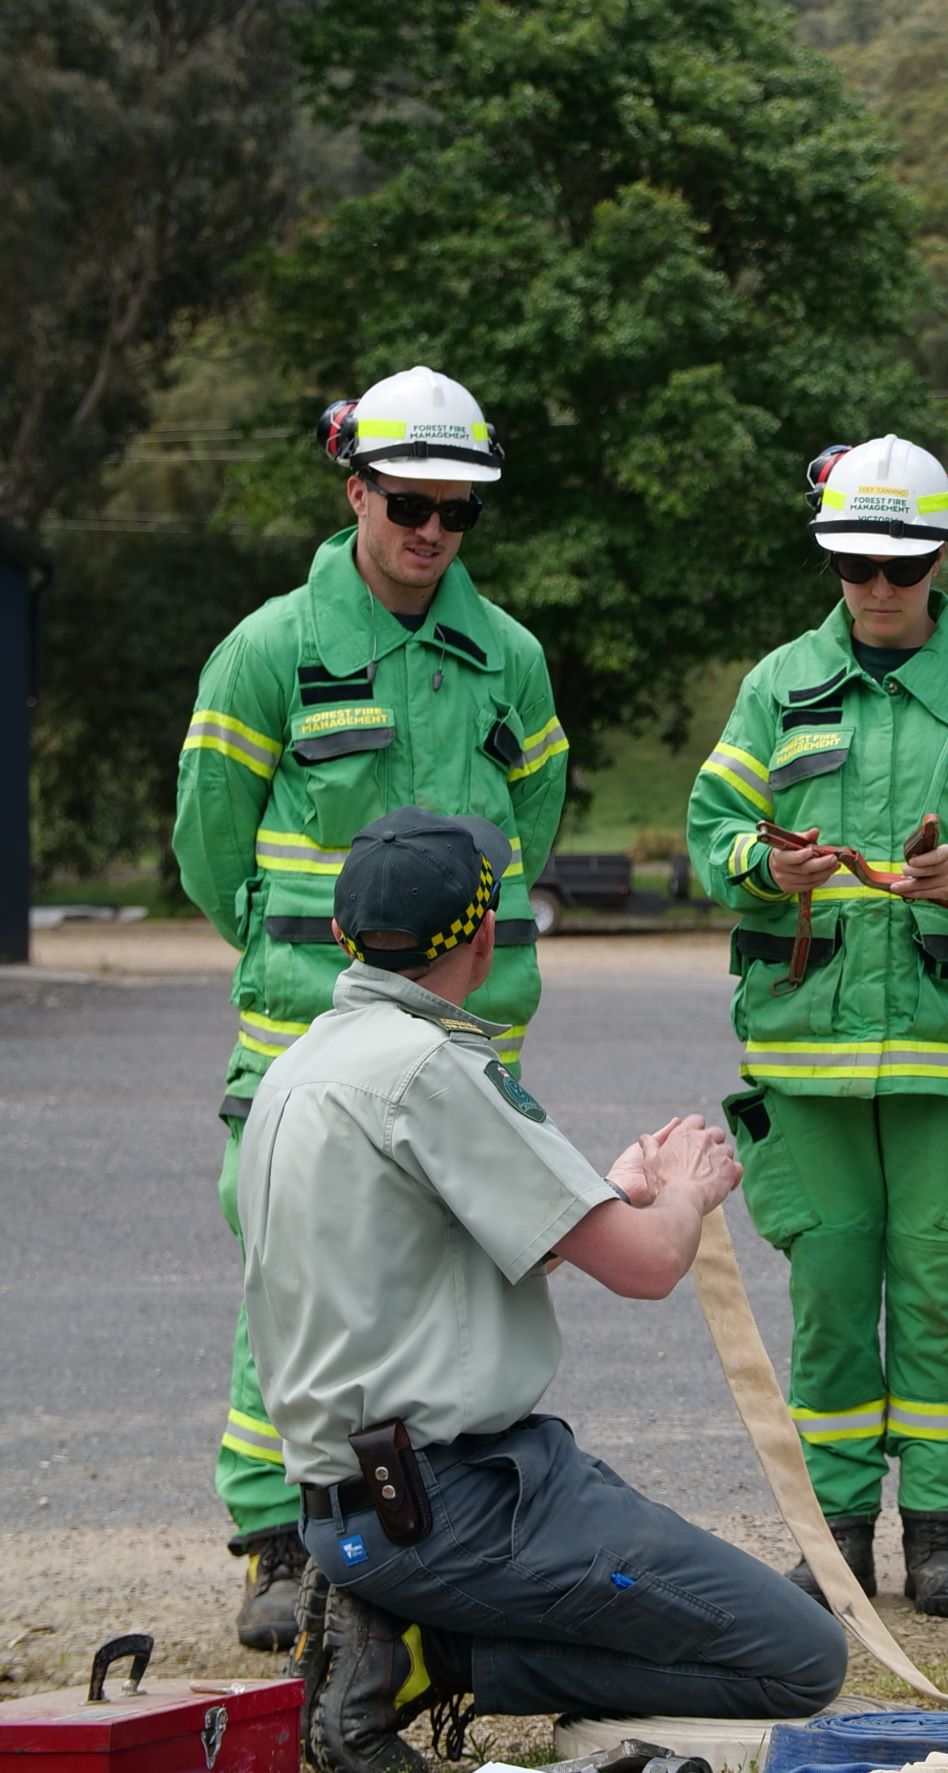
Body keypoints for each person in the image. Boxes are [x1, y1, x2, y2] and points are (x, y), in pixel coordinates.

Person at [240, 808, 845, 1773]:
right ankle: (430, 1654)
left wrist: (611, 1189)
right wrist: (687, 1192)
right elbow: (647, 1266)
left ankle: (404, 1626)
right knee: (798, 1659)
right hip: (455, 1501)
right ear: (483, 937)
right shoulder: (428, 1069)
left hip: (349, 1503)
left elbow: (452, 1255)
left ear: (344, 937)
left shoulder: (301, 1066)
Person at [173, 367, 566, 1650]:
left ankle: (417, 1544)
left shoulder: (508, 658)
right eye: (409, 502)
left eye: (457, 509)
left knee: (447, 1293)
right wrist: (285, 952)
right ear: (357, 493)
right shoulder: (271, 649)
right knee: (287, 1286)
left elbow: (538, 821)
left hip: (467, 1045)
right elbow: (208, 845)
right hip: (305, 1040)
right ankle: (274, 1541)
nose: (433, 530)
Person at [685, 436, 948, 1617]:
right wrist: (767, 861)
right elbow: (714, 830)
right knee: (828, 1305)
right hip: (806, 1055)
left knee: (933, 1294)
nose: (875, 586)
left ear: (943, 555)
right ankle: (837, 1539)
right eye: (854, 563)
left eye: (900, 565)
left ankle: (942, 1538)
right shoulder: (777, 686)